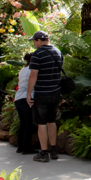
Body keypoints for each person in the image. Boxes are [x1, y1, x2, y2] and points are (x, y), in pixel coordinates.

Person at [26, 31, 63, 163]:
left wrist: (28, 93)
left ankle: (43, 152)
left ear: (39, 40)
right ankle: (53, 150)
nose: (34, 44)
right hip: (55, 92)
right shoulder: (58, 52)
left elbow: (33, 75)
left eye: (34, 41)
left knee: (41, 123)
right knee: (52, 120)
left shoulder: (38, 54)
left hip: (42, 92)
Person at [14, 53, 36, 155]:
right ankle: (26, 148)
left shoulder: (23, 69)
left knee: (23, 123)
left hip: (18, 98)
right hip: (27, 98)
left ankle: (20, 147)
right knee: (29, 124)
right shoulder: (32, 70)